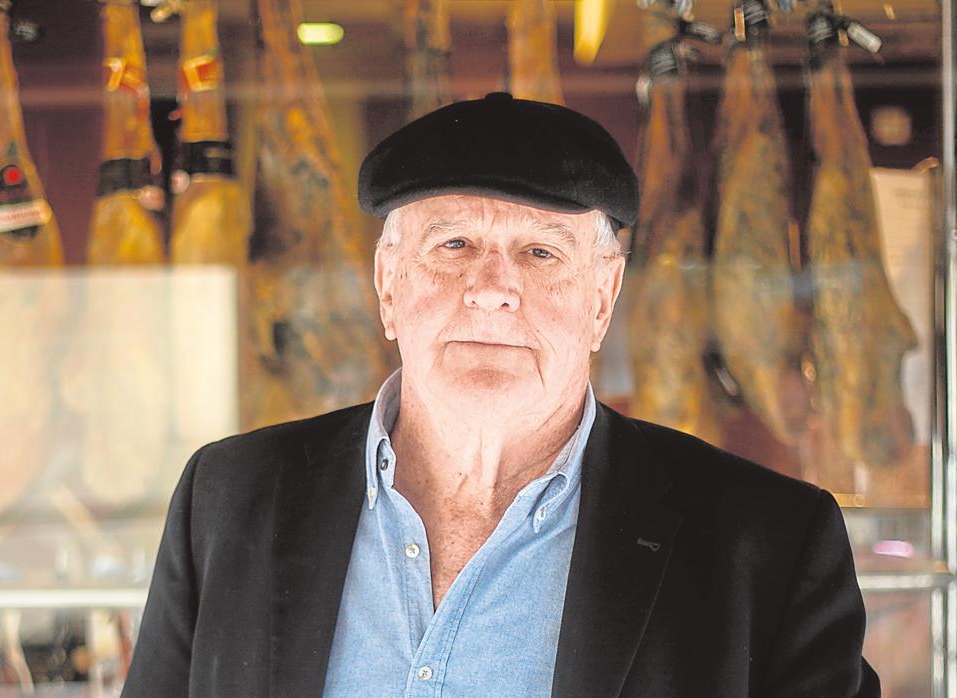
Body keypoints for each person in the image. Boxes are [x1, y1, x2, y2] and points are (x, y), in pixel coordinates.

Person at [122, 93, 879, 697]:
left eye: (540, 252)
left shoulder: (766, 545)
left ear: (602, 298)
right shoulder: (229, 499)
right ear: (388, 284)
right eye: (453, 244)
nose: (491, 290)